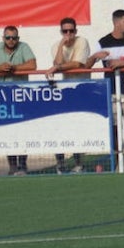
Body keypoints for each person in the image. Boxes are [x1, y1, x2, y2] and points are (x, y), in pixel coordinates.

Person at [0, 25, 37, 175]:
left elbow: (32, 65)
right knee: (7, 131)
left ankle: (23, 164)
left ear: (18, 38)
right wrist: (0, 68)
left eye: (14, 38)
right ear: (3, 38)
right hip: (2, 97)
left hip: (21, 95)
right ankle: (12, 166)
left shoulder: (24, 47)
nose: (11, 40)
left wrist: (13, 68)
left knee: (23, 130)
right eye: (8, 37)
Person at [44, 17, 91, 173]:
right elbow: (57, 64)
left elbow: (77, 64)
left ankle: (79, 163)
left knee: (78, 127)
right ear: (61, 32)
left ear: (76, 31)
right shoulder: (56, 46)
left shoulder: (82, 41)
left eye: (71, 31)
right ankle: (61, 163)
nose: (68, 34)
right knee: (60, 127)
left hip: (81, 90)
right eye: (65, 31)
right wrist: (61, 47)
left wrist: (57, 68)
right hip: (64, 92)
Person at [88, 9, 124, 85]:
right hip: (110, 89)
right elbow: (86, 66)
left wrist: (123, 63)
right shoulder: (103, 42)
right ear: (116, 23)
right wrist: (94, 57)